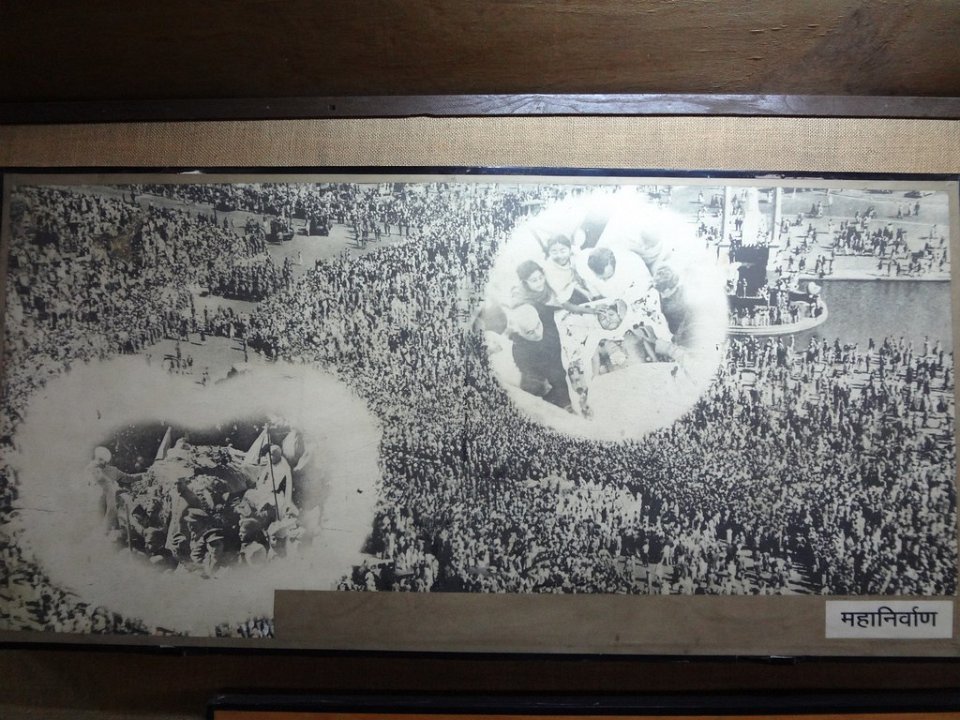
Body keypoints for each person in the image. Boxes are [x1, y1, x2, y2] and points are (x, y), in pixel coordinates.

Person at [506, 304, 572, 410]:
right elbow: (543, 386)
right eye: (530, 332)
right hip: (559, 386)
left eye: (538, 325)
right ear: (519, 333)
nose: (537, 333)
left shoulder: (547, 319)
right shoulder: (521, 354)